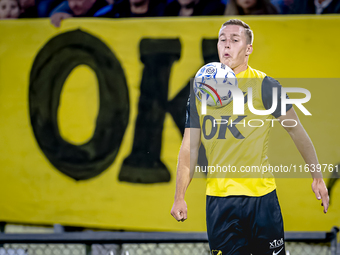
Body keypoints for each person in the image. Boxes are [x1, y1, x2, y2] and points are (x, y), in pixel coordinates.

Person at [170, 19, 329, 255]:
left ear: (248, 49)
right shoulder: (201, 90)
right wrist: (179, 196)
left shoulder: (265, 86)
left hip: (261, 198)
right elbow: (189, 148)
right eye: (222, 39)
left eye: (235, 40)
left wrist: (316, 176)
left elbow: (297, 131)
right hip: (220, 201)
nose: (227, 45)